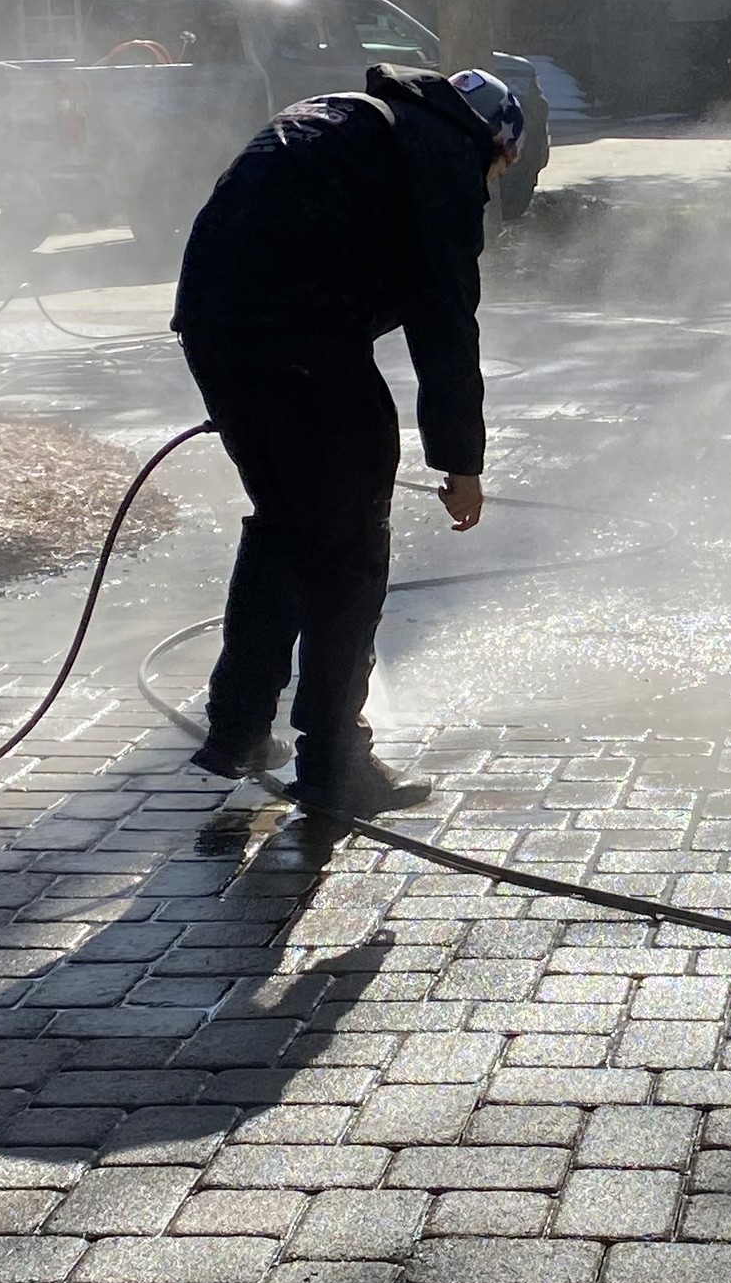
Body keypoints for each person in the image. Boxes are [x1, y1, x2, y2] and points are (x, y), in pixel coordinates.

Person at [171, 60, 528, 815]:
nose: (493, 184)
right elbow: (445, 327)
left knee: (288, 523)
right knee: (348, 549)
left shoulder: (354, 116)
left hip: (211, 323)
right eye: (503, 166)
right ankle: (335, 762)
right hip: (300, 334)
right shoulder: (442, 159)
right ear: (493, 143)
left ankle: (235, 727)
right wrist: (462, 462)